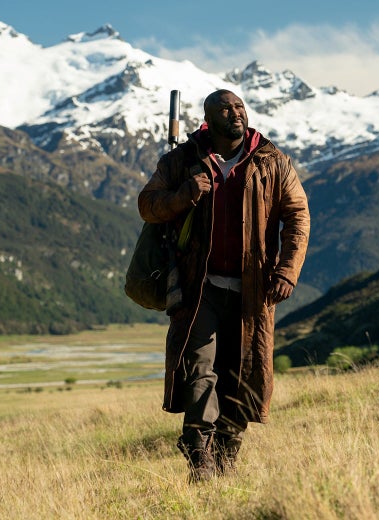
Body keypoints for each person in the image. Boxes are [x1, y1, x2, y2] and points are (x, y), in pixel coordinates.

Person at [137, 89, 310, 482]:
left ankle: (227, 456)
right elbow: (148, 205)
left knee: (240, 373)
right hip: (200, 290)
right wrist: (183, 195)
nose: (234, 114)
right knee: (200, 371)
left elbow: (298, 216)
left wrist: (287, 270)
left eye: (239, 107)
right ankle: (200, 458)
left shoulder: (272, 161)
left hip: (254, 292)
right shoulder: (181, 161)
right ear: (208, 120)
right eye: (224, 109)